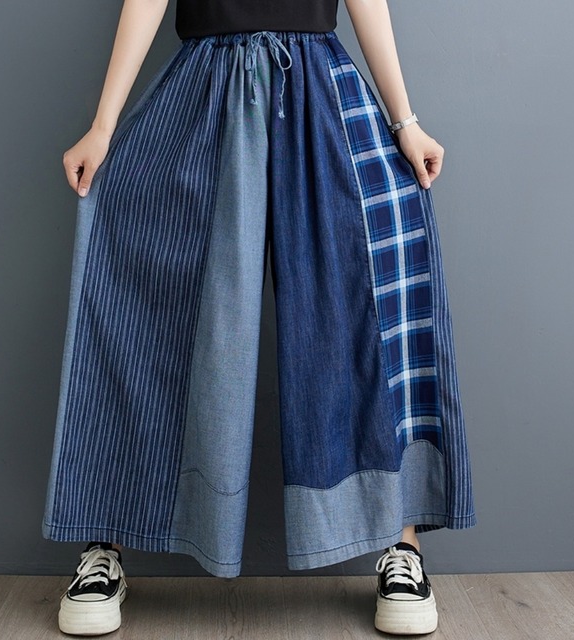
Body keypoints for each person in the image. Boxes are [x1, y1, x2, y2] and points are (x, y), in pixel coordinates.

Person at [44, 0, 476, 635]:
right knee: (146, 305)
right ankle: (103, 538)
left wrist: (404, 121)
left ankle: (401, 543)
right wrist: (103, 127)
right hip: (205, 86)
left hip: (320, 87)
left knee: (372, 301)